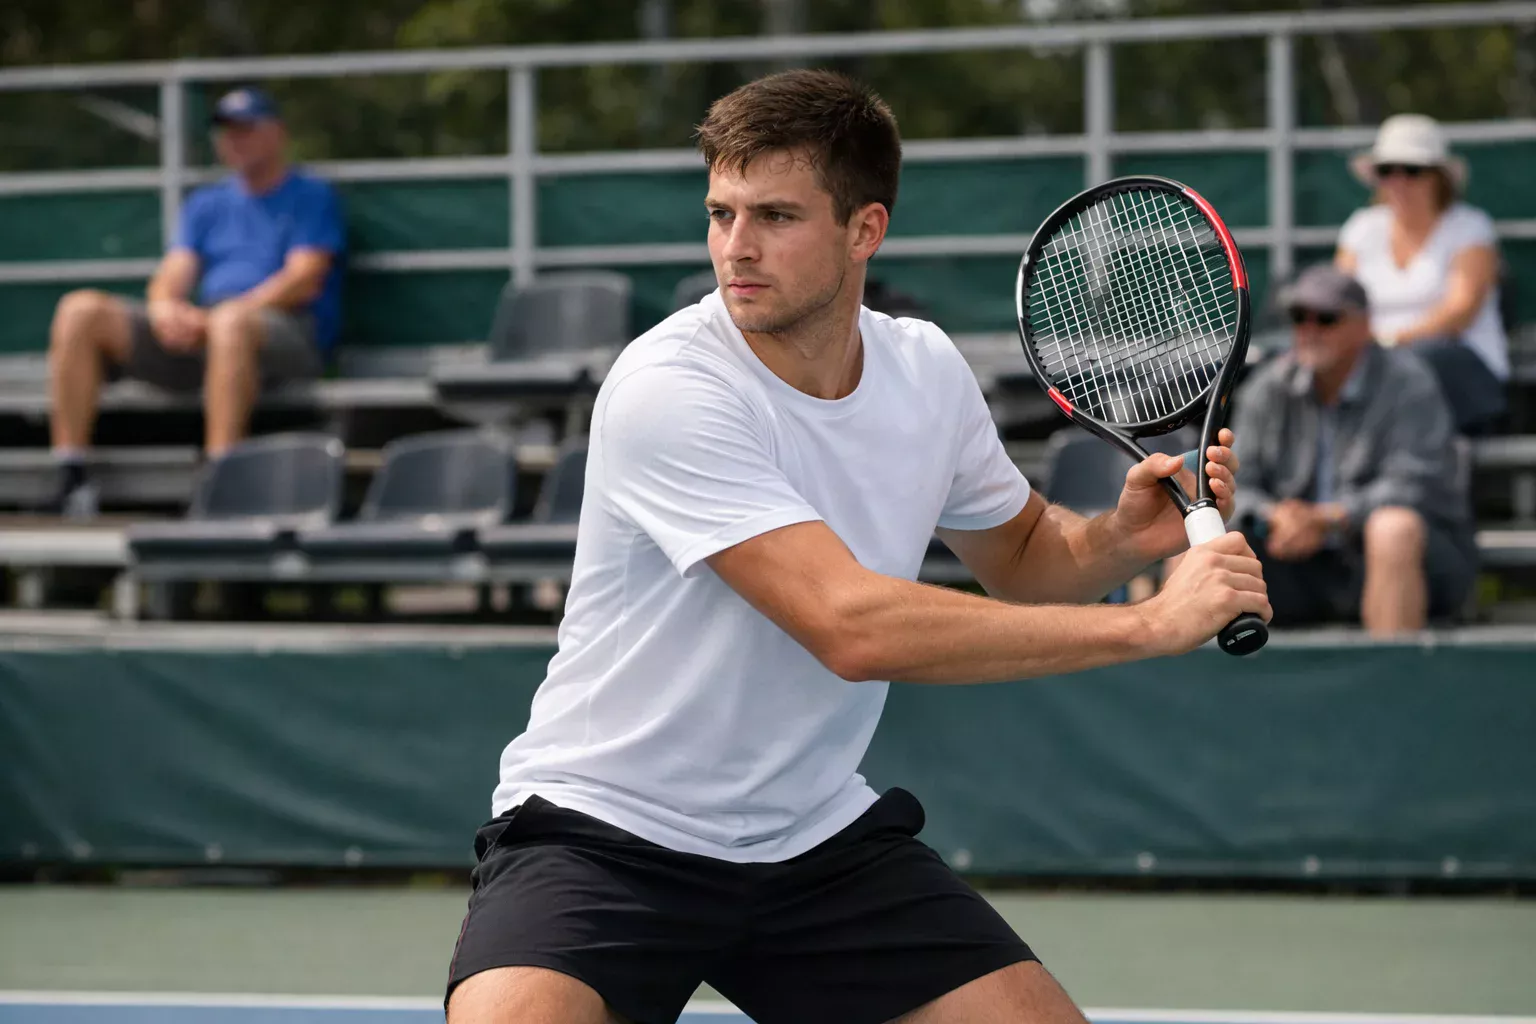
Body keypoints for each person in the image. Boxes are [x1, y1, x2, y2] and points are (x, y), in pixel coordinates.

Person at [446, 70, 1267, 1024]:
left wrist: (1123, 539)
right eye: (721, 213)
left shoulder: (923, 370)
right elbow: (849, 626)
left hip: (810, 841)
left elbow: (1029, 557)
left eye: (776, 217)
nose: (735, 248)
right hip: (603, 832)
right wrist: (1152, 626)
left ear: (864, 229)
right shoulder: (667, 386)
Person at [45, 86, 344, 516]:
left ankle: (222, 480)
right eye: (226, 131)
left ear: (277, 133)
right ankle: (71, 475)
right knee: (80, 310)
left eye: (246, 129)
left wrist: (225, 314)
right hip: (211, 335)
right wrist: (167, 309)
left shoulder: (312, 196)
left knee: (230, 322)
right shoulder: (206, 204)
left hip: (286, 335)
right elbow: (172, 273)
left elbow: (302, 278)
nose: (234, 140)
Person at [1230, 264, 1476, 636]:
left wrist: (1328, 518)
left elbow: (1415, 484)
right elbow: (1238, 481)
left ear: (1364, 326)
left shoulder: (1408, 383)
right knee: (1200, 539)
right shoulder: (1267, 388)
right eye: (1299, 317)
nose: (1309, 330)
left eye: (1326, 318)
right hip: (1291, 553)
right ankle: (1191, 688)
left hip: (1397, 557)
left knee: (1392, 528)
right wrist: (1275, 516)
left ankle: (1387, 683)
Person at [1336, 113, 1508, 435]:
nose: (1398, 181)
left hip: (1457, 373)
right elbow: (1339, 301)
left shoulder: (1471, 227)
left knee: (1414, 364)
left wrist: (1385, 344)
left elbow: (1460, 312)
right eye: (1387, 170)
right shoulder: (1362, 228)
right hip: (1375, 369)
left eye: (1412, 170)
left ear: (1438, 178)